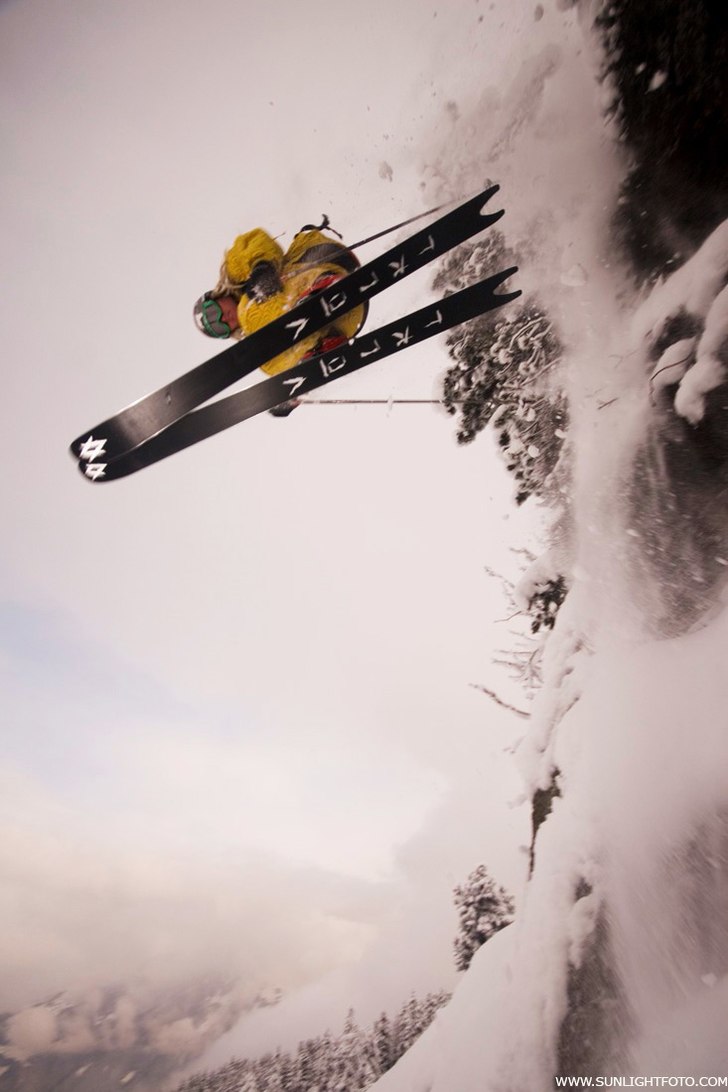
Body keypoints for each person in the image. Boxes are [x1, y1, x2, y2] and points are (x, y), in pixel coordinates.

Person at [193, 220, 367, 414]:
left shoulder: (236, 273)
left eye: (213, 313)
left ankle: (317, 296)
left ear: (216, 296)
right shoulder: (258, 332)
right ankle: (312, 360)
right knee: (262, 356)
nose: (223, 319)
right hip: (350, 317)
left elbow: (254, 243)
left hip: (324, 263)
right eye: (219, 328)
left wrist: (262, 267)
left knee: (252, 319)